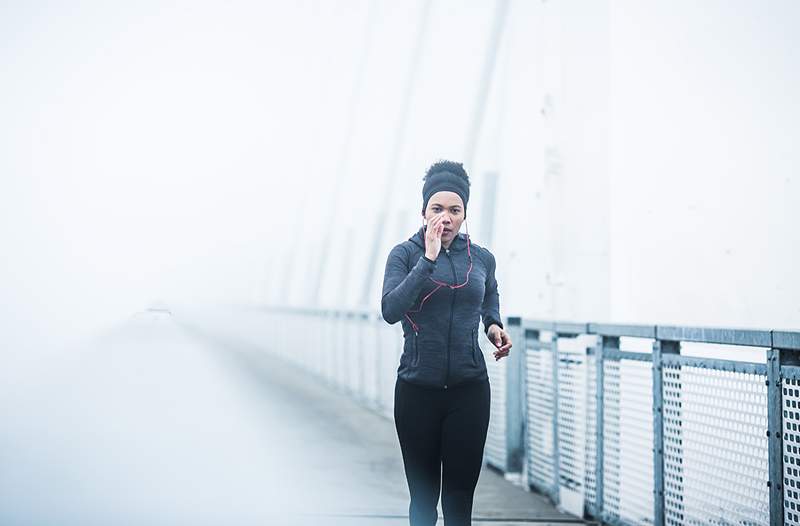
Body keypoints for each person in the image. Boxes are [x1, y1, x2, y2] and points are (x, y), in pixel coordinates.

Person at [380, 160, 513, 526]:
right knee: (423, 503)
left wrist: (493, 326)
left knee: (458, 503)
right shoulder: (404, 255)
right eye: (437, 209)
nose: (446, 217)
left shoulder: (482, 258)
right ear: (424, 212)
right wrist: (429, 258)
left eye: (455, 210)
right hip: (416, 392)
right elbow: (391, 309)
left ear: (465, 214)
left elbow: (489, 296)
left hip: (469, 391)